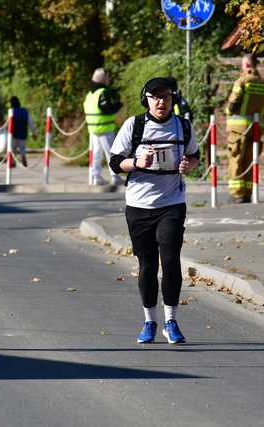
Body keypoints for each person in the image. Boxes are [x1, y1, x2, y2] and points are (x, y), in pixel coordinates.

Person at [109, 77, 199, 344]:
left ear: (172, 99)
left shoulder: (182, 125)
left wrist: (189, 166)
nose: (161, 102)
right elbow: (115, 162)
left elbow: (195, 155)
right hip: (138, 205)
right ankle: (149, 321)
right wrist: (136, 162)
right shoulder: (134, 125)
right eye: (155, 97)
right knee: (147, 265)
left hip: (171, 203)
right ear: (146, 99)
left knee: (171, 260)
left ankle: (171, 321)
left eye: (166, 97)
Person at [225, 54, 264, 203]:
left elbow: (233, 104)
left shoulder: (241, 81)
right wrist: (259, 118)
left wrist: (232, 112)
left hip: (238, 129)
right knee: (249, 161)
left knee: (236, 159)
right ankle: (248, 193)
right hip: (256, 129)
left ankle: (237, 193)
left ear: (247, 65)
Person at [84, 67, 123, 185]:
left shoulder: (90, 93)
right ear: (102, 78)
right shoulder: (103, 92)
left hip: (93, 128)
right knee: (111, 153)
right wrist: (118, 106)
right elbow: (106, 109)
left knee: (97, 153)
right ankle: (115, 177)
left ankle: (96, 177)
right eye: (107, 76)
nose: (109, 79)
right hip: (104, 128)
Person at [9, 96, 37, 167]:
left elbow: (8, 124)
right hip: (23, 132)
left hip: (13, 133)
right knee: (22, 148)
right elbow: (30, 123)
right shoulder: (24, 111)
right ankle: (23, 157)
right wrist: (34, 133)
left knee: (13, 148)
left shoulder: (11, 112)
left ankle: (13, 162)